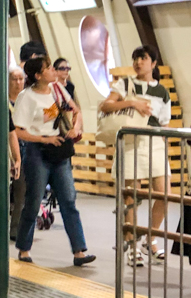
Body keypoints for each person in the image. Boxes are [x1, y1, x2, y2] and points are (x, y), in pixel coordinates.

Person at [13, 55, 95, 267]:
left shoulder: (57, 89)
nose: (53, 70)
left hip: (59, 149)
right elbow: (18, 131)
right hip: (37, 151)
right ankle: (24, 248)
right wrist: (43, 139)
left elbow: (76, 110)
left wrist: (76, 127)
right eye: (48, 68)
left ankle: (79, 251)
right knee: (33, 201)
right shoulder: (27, 97)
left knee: (68, 199)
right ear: (38, 75)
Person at [99, 45, 170, 267]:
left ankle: (151, 238)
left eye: (143, 58)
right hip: (130, 142)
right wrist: (132, 102)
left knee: (165, 193)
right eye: (136, 58)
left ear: (153, 63)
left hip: (154, 143)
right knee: (132, 196)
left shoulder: (162, 91)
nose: (138, 62)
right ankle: (132, 247)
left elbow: (164, 122)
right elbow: (106, 106)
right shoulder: (125, 84)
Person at [8, 66, 24, 240]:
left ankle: (16, 230)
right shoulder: (3, 102)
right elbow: (12, 132)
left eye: (21, 79)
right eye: (14, 79)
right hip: (8, 151)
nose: (18, 82)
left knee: (22, 193)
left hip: (26, 149)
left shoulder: (28, 100)